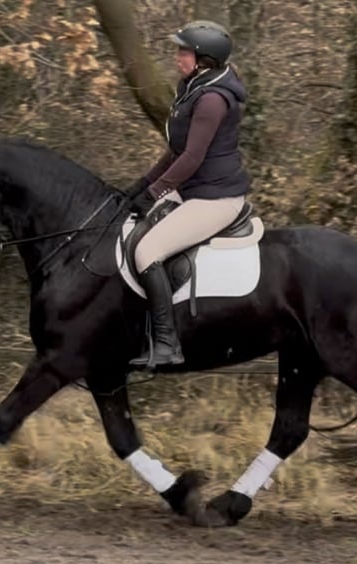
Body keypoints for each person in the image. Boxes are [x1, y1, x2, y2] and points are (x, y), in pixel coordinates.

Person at [126, 20, 251, 369]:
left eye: (184, 51)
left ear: (204, 59)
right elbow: (177, 150)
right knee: (129, 229)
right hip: (195, 190)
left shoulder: (211, 99)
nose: (177, 56)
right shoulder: (193, 87)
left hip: (215, 199)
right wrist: (141, 186)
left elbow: (192, 158)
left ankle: (167, 344)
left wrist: (155, 191)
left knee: (147, 251)